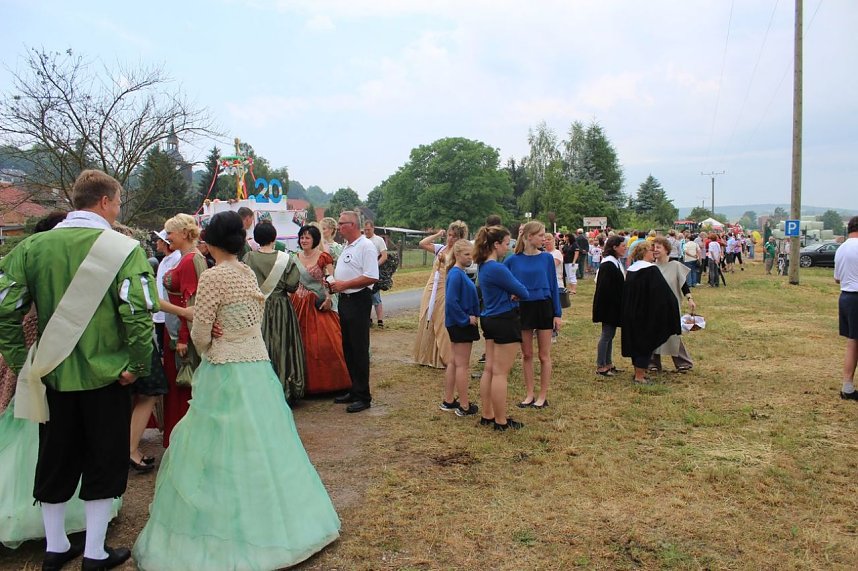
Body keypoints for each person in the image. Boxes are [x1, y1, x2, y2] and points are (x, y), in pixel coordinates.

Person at [131, 211, 340, 570]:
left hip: (225, 366)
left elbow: (202, 328)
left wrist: (209, 344)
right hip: (256, 364)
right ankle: (278, 518)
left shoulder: (214, 276)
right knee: (260, 438)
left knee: (217, 440)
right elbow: (250, 316)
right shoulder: (245, 273)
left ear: (210, 242)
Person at [0, 170, 157, 570]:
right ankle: (95, 551)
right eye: (118, 201)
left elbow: (5, 310)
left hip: (50, 375)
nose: (117, 208)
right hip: (106, 375)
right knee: (103, 459)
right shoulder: (124, 248)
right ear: (105, 201)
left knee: (54, 457)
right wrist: (136, 366)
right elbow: (138, 312)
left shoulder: (31, 247)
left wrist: (24, 365)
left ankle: (55, 548)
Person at [244, 221, 307, 401]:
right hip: (281, 309)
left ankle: (259, 391)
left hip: (256, 309)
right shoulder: (285, 259)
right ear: (274, 238)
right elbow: (292, 286)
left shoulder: (248, 258)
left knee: (258, 347)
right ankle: (284, 388)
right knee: (282, 346)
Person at [475, 226, 529, 431]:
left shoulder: (483, 266)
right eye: (506, 243)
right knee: (500, 373)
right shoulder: (497, 267)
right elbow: (522, 291)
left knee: (489, 369)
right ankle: (501, 420)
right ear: (496, 244)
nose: (508, 248)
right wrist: (513, 294)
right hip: (504, 320)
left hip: (489, 318)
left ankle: (487, 414)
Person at [161, 213, 207, 448]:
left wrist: (182, 339)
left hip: (181, 333)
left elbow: (191, 304)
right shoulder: (189, 257)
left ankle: (184, 441)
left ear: (184, 233)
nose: (167, 237)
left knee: (183, 386)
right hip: (178, 328)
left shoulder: (190, 260)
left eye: (170, 232)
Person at [504, 221, 562, 409]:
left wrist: (557, 313)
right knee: (526, 354)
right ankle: (529, 393)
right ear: (529, 236)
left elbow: (554, 286)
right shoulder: (512, 260)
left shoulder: (546, 259)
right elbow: (502, 283)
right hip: (523, 308)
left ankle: (542, 396)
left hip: (543, 306)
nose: (544, 238)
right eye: (540, 235)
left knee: (544, 355)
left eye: (545, 234)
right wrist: (509, 296)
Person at [291, 225, 351, 395]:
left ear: (315, 240)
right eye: (302, 237)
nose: (304, 241)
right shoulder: (294, 258)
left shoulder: (324, 257)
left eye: (307, 238)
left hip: (319, 303)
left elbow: (331, 279)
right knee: (299, 343)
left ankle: (330, 382)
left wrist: (328, 298)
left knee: (325, 343)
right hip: (298, 303)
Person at [329, 211, 379, 413]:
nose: (339, 227)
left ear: (352, 225)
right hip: (346, 299)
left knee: (359, 347)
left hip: (358, 299)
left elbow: (371, 276)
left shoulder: (366, 246)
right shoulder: (348, 246)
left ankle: (364, 395)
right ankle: (354, 387)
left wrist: (344, 284)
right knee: (348, 346)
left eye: (342, 224)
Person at [621, 241, 681, 384]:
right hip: (645, 314)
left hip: (631, 312)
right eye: (650, 249)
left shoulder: (631, 270)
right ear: (644, 253)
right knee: (644, 344)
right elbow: (662, 293)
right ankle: (639, 377)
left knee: (635, 343)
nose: (653, 252)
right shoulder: (651, 270)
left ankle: (638, 372)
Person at [413, 221, 469, 369]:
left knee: (441, 319)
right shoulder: (441, 248)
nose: (451, 239)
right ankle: (425, 356)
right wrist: (438, 234)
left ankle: (443, 357)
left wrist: (446, 260)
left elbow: (458, 267)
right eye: (449, 235)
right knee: (427, 316)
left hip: (445, 288)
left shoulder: (459, 253)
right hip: (431, 286)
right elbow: (422, 243)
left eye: (455, 236)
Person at [443, 240, 481, 416]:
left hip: (456, 323)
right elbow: (451, 302)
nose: (470, 257)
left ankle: (449, 399)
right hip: (461, 324)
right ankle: (464, 405)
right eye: (467, 254)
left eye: (471, 254)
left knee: (454, 362)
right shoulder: (457, 274)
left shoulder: (457, 273)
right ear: (457, 255)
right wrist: (466, 319)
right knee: (462, 366)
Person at [650, 236, 697, 373]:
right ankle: (652, 363)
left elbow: (683, 284)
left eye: (658, 247)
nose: (655, 250)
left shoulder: (675, 265)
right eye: (653, 247)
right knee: (654, 332)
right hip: (654, 305)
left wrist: (690, 299)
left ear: (666, 249)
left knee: (673, 333)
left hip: (672, 305)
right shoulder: (651, 267)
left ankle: (683, 362)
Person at [592, 235, 627, 377]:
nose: (625, 248)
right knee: (606, 335)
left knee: (610, 335)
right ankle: (601, 365)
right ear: (614, 247)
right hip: (608, 306)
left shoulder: (614, 262)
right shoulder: (608, 264)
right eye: (623, 246)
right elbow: (606, 288)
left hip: (612, 305)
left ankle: (608, 363)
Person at [835, 216, 858, 401]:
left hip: (846, 296)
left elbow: (837, 278)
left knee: (853, 342)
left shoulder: (841, 248)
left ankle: (848, 386)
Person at [364, 220, 388, 328]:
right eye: (365, 230)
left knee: (375, 296)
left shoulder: (379, 240)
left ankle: (380, 320)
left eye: (368, 229)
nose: (367, 231)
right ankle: (368, 319)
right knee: (366, 296)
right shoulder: (362, 240)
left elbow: (384, 255)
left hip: (374, 271)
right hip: (363, 271)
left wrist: (375, 265)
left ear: (373, 228)